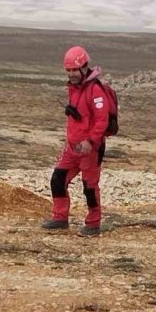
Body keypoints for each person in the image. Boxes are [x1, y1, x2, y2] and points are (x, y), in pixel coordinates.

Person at [41, 46, 110, 236]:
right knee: (58, 179)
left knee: (89, 187)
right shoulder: (73, 89)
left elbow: (102, 120)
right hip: (72, 149)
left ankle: (93, 223)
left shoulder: (95, 90)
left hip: (90, 150)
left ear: (84, 67)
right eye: (68, 70)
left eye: (74, 70)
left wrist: (91, 141)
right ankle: (60, 218)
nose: (71, 74)